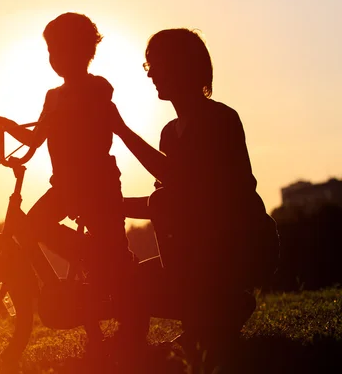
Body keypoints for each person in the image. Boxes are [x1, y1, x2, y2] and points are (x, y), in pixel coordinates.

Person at [112, 28, 280, 367]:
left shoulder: (220, 120)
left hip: (240, 250)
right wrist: (109, 205)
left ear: (185, 68)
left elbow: (180, 180)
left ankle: (219, 310)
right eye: (150, 66)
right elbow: (169, 199)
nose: (152, 74)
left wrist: (122, 129)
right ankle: (202, 319)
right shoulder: (170, 133)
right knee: (126, 284)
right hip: (197, 254)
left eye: (158, 65)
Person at [0, 12, 140, 351]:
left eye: (63, 50)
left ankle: (125, 316)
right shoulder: (52, 96)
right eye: (51, 52)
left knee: (114, 257)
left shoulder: (98, 88)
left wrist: (64, 117)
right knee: (30, 226)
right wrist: (8, 126)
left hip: (98, 187)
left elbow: (91, 123)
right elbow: (36, 139)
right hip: (66, 188)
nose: (56, 59)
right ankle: (86, 262)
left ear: (86, 52)